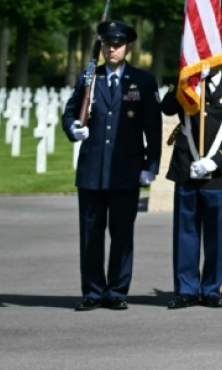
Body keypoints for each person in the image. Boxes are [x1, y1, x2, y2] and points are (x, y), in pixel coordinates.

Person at [62, 20, 162, 311]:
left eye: (117, 44)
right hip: (93, 171)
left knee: (121, 234)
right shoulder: (89, 77)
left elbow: (152, 127)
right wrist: (73, 128)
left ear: (127, 47)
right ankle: (93, 291)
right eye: (107, 44)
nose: (111, 49)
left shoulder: (142, 81)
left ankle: (117, 290)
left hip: (126, 171)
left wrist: (150, 164)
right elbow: (69, 113)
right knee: (91, 235)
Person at [160, 67, 222, 309]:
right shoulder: (186, 85)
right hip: (186, 169)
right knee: (185, 233)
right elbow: (167, 107)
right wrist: (184, 81)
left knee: (216, 234)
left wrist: (216, 161)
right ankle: (186, 290)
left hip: (216, 175)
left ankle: (212, 289)